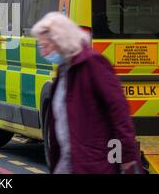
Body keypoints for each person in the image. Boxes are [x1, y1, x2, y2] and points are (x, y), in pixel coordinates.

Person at [31, 12, 143, 174]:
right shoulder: (64, 70)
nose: (43, 53)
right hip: (69, 162)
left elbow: (119, 110)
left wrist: (126, 155)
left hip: (93, 164)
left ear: (60, 40)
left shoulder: (93, 63)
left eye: (45, 46)